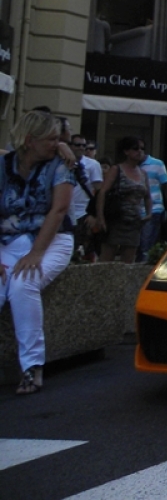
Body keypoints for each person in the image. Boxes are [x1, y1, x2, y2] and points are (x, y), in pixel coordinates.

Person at [0, 110, 74, 394]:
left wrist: (36, 253)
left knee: (23, 284)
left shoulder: (60, 165)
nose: (57, 143)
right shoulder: (4, 165)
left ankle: (32, 367)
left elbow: (58, 211)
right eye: (51, 138)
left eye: (59, 138)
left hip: (52, 239)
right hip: (9, 241)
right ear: (30, 140)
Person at [95, 136, 151, 263]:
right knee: (106, 259)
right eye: (135, 148)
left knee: (128, 261)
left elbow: (147, 196)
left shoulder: (143, 173)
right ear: (126, 151)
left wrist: (149, 213)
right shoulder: (117, 169)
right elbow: (102, 192)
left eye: (142, 149)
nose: (140, 151)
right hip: (116, 219)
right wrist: (100, 217)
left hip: (134, 221)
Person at [69, 134, 103, 261]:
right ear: (70, 146)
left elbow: (99, 191)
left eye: (84, 145)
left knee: (83, 250)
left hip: (84, 213)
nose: (81, 148)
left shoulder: (92, 164)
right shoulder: (62, 161)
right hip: (65, 212)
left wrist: (94, 214)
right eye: (78, 145)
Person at [137, 149, 167, 261]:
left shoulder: (157, 164)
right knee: (136, 246)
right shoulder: (130, 166)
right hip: (134, 210)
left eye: (139, 149)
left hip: (153, 209)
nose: (138, 152)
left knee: (146, 246)